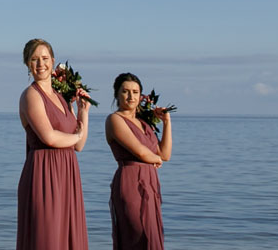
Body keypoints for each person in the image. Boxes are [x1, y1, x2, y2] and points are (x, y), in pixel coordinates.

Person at [16, 38, 90, 250]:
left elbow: (79, 145)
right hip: (43, 174)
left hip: (68, 173)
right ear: (28, 64)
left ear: (53, 61)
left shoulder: (63, 98)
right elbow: (49, 137)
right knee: (46, 238)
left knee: (68, 239)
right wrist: (76, 136)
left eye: (45, 58)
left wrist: (83, 113)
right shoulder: (31, 95)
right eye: (35, 59)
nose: (41, 64)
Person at [105, 72, 172, 250]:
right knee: (136, 232)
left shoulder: (145, 124)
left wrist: (166, 122)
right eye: (125, 91)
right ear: (117, 94)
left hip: (150, 184)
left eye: (135, 92)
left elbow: (164, 154)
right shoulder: (115, 120)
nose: (130, 96)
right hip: (130, 182)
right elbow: (141, 152)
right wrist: (154, 159)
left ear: (140, 95)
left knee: (151, 235)